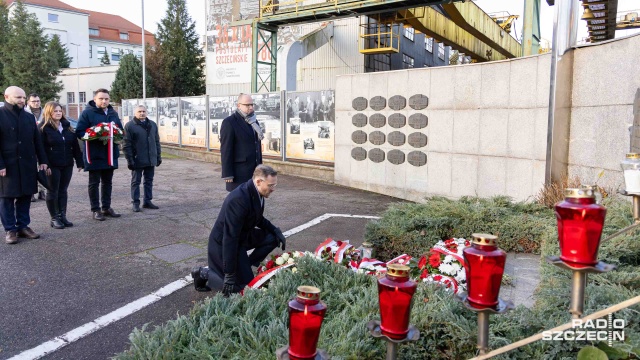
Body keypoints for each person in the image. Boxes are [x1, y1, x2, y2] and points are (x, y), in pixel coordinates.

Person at [191, 165, 286, 295]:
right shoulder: (239, 199)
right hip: (224, 242)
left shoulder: (257, 192)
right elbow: (230, 237)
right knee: (239, 289)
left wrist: (275, 230)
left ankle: (245, 265)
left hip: (242, 236)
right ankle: (202, 273)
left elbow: (257, 218)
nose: (273, 189)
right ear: (258, 181)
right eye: (271, 185)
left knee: (272, 237)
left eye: (274, 185)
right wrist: (230, 273)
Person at [0, 86, 49, 244]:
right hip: (7, 165)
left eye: (23, 97)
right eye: (18, 97)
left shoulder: (28, 117)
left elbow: (37, 141)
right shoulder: (1, 115)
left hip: (27, 164)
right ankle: (10, 229)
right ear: (7, 97)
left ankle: (23, 226)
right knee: (7, 198)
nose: (22, 100)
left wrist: (43, 161)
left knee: (25, 196)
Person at [75, 88, 123, 221]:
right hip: (94, 154)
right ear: (95, 99)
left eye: (106, 98)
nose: (104, 101)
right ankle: (95, 209)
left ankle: (106, 207)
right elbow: (79, 132)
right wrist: (95, 134)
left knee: (108, 182)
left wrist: (117, 134)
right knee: (94, 183)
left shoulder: (113, 113)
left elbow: (120, 130)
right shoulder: (87, 113)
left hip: (109, 154)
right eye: (101, 98)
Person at [39, 102, 84, 229]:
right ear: (48, 112)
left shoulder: (67, 126)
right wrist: (44, 164)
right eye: (55, 111)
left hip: (67, 164)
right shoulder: (43, 128)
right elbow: (40, 148)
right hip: (52, 165)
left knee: (63, 190)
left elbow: (74, 146)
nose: (58, 113)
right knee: (53, 191)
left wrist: (79, 162)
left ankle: (62, 215)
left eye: (60, 111)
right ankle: (54, 218)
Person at [220, 93, 263, 192]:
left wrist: (260, 168)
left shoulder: (254, 122)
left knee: (254, 201)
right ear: (238, 105)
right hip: (239, 172)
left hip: (255, 171)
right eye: (247, 105)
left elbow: (257, 147)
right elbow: (226, 149)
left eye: (252, 104)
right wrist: (227, 174)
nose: (251, 107)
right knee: (240, 203)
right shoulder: (230, 122)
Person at [122, 105, 161, 212]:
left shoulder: (152, 124)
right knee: (136, 182)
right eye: (139, 111)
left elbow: (156, 141)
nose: (142, 113)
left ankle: (147, 201)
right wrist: (130, 160)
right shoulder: (130, 126)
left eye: (144, 111)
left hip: (150, 159)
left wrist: (158, 156)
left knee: (149, 181)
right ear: (135, 113)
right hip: (137, 159)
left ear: (147, 112)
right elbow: (126, 144)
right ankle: (135, 203)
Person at [25, 93, 46, 201]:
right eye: (33, 101)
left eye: (38, 101)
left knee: (42, 168)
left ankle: (41, 191)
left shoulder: (45, 113)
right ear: (28, 102)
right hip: (30, 144)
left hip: (43, 143)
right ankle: (32, 192)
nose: (36, 103)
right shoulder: (25, 113)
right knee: (32, 169)